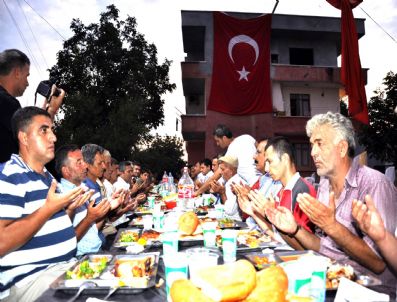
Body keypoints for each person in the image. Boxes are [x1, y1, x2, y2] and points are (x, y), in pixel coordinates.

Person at [268, 112, 397, 294]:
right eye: (312, 145)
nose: (312, 152)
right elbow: (324, 248)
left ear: (342, 148)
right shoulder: (325, 184)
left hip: (371, 292)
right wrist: (294, 230)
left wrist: (331, 226)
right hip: (332, 284)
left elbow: (378, 264)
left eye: (319, 144)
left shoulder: (375, 185)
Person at [0, 107, 87, 301]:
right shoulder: (8, 176)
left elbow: (52, 229)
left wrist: (68, 210)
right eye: (44, 130)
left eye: (52, 130)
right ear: (24, 138)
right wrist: (47, 210)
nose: (53, 138)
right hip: (29, 281)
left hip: (64, 268)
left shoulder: (47, 177)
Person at [0, 49, 65, 163]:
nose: (27, 83)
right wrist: (52, 110)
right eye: (27, 76)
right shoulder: (7, 102)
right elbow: (34, 146)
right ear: (17, 73)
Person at [55, 144, 111, 256]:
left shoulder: (81, 189)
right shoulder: (61, 195)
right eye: (79, 162)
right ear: (66, 171)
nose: (85, 166)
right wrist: (89, 218)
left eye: (84, 161)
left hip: (97, 251)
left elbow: (91, 229)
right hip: (82, 258)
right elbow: (67, 240)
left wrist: (108, 206)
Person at [194, 124, 260, 196]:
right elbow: (260, 149)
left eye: (218, 141)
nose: (217, 144)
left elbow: (217, 174)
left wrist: (198, 192)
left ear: (224, 138)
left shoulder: (231, 149)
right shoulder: (247, 137)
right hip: (260, 180)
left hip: (250, 186)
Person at [211, 155, 246, 221]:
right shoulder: (230, 181)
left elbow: (229, 211)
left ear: (231, 170)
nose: (220, 172)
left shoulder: (233, 183)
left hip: (235, 223)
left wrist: (222, 193)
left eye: (222, 169)